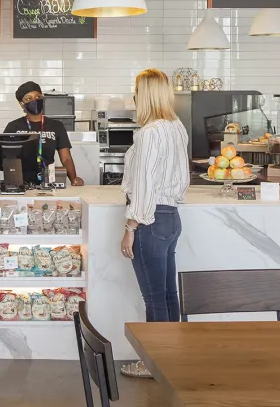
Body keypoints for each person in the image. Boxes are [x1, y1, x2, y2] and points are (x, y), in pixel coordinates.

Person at [119, 69, 189, 378]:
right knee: (169, 294)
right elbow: (181, 178)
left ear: (143, 95)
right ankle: (174, 358)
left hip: (150, 220)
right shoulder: (176, 127)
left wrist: (130, 228)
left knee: (154, 298)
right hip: (171, 218)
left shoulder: (148, 133)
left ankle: (154, 364)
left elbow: (144, 187)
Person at [3, 81, 84, 186]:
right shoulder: (13, 127)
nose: (34, 100)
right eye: (28, 98)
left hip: (49, 183)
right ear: (21, 104)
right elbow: (6, 158)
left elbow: (66, 158)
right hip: (20, 183)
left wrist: (74, 179)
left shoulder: (56, 126)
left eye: (38, 96)